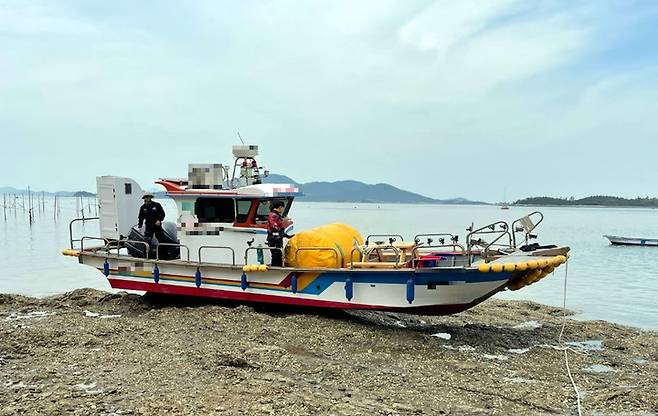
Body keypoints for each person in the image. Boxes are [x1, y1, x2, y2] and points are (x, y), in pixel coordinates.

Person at [267, 200, 293, 267]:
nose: (282, 209)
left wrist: (286, 235)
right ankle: (275, 268)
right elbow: (274, 226)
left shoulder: (276, 215)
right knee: (276, 255)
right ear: (280, 207)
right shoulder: (273, 215)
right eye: (283, 208)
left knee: (279, 255)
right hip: (274, 239)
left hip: (277, 238)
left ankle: (277, 267)